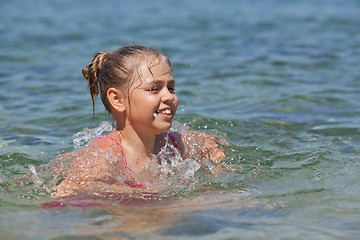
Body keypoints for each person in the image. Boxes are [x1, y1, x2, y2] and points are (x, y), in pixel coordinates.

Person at [34, 45, 226, 198]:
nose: (169, 97)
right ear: (117, 100)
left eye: (171, 88)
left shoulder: (175, 144)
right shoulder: (104, 156)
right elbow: (61, 199)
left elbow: (210, 146)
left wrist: (218, 167)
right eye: (154, 89)